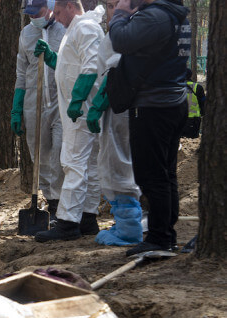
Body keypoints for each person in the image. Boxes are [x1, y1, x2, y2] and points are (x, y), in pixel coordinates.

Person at [108, 0, 190, 256]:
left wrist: (120, 12)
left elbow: (120, 40)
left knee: (151, 175)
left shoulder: (156, 17)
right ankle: (165, 233)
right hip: (172, 102)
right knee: (165, 174)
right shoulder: (174, 15)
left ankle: (160, 238)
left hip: (154, 106)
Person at [33, 1, 105, 242]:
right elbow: (69, 67)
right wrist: (52, 57)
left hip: (80, 110)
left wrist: (78, 98)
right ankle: (87, 217)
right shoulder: (75, 29)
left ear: (71, 6)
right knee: (88, 165)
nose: (56, 16)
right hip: (80, 109)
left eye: (59, 11)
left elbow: (91, 65)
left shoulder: (85, 29)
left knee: (73, 163)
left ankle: (67, 222)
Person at [86, 0, 143, 246]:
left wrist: (101, 100)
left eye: (117, 6)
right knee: (114, 161)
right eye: (109, 6)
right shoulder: (116, 33)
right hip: (117, 108)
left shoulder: (128, 33)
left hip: (121, 107)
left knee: (119, 163)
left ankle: (129, 227)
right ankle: (124, 221)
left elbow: (119, 69)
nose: (112, 12)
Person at [11, 0, 66, 220]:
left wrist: (54, 58)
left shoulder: (64, 28)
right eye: (30, 13)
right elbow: (21, 72)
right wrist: (17, 106)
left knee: (61, 152)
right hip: (34, 102)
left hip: (61, 100)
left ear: (51, 7)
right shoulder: (26, 34)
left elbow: (76, 64)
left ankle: (65, 202)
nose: (34, 17)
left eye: (38, 12)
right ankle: (52, 204)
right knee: (40, 154)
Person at [181, 68, 205, 138]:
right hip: (194, 120)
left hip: (179, 119)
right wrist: (202, 113)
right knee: (193, 140)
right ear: (191, 75)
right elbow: (203, 102)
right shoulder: (198, 87)